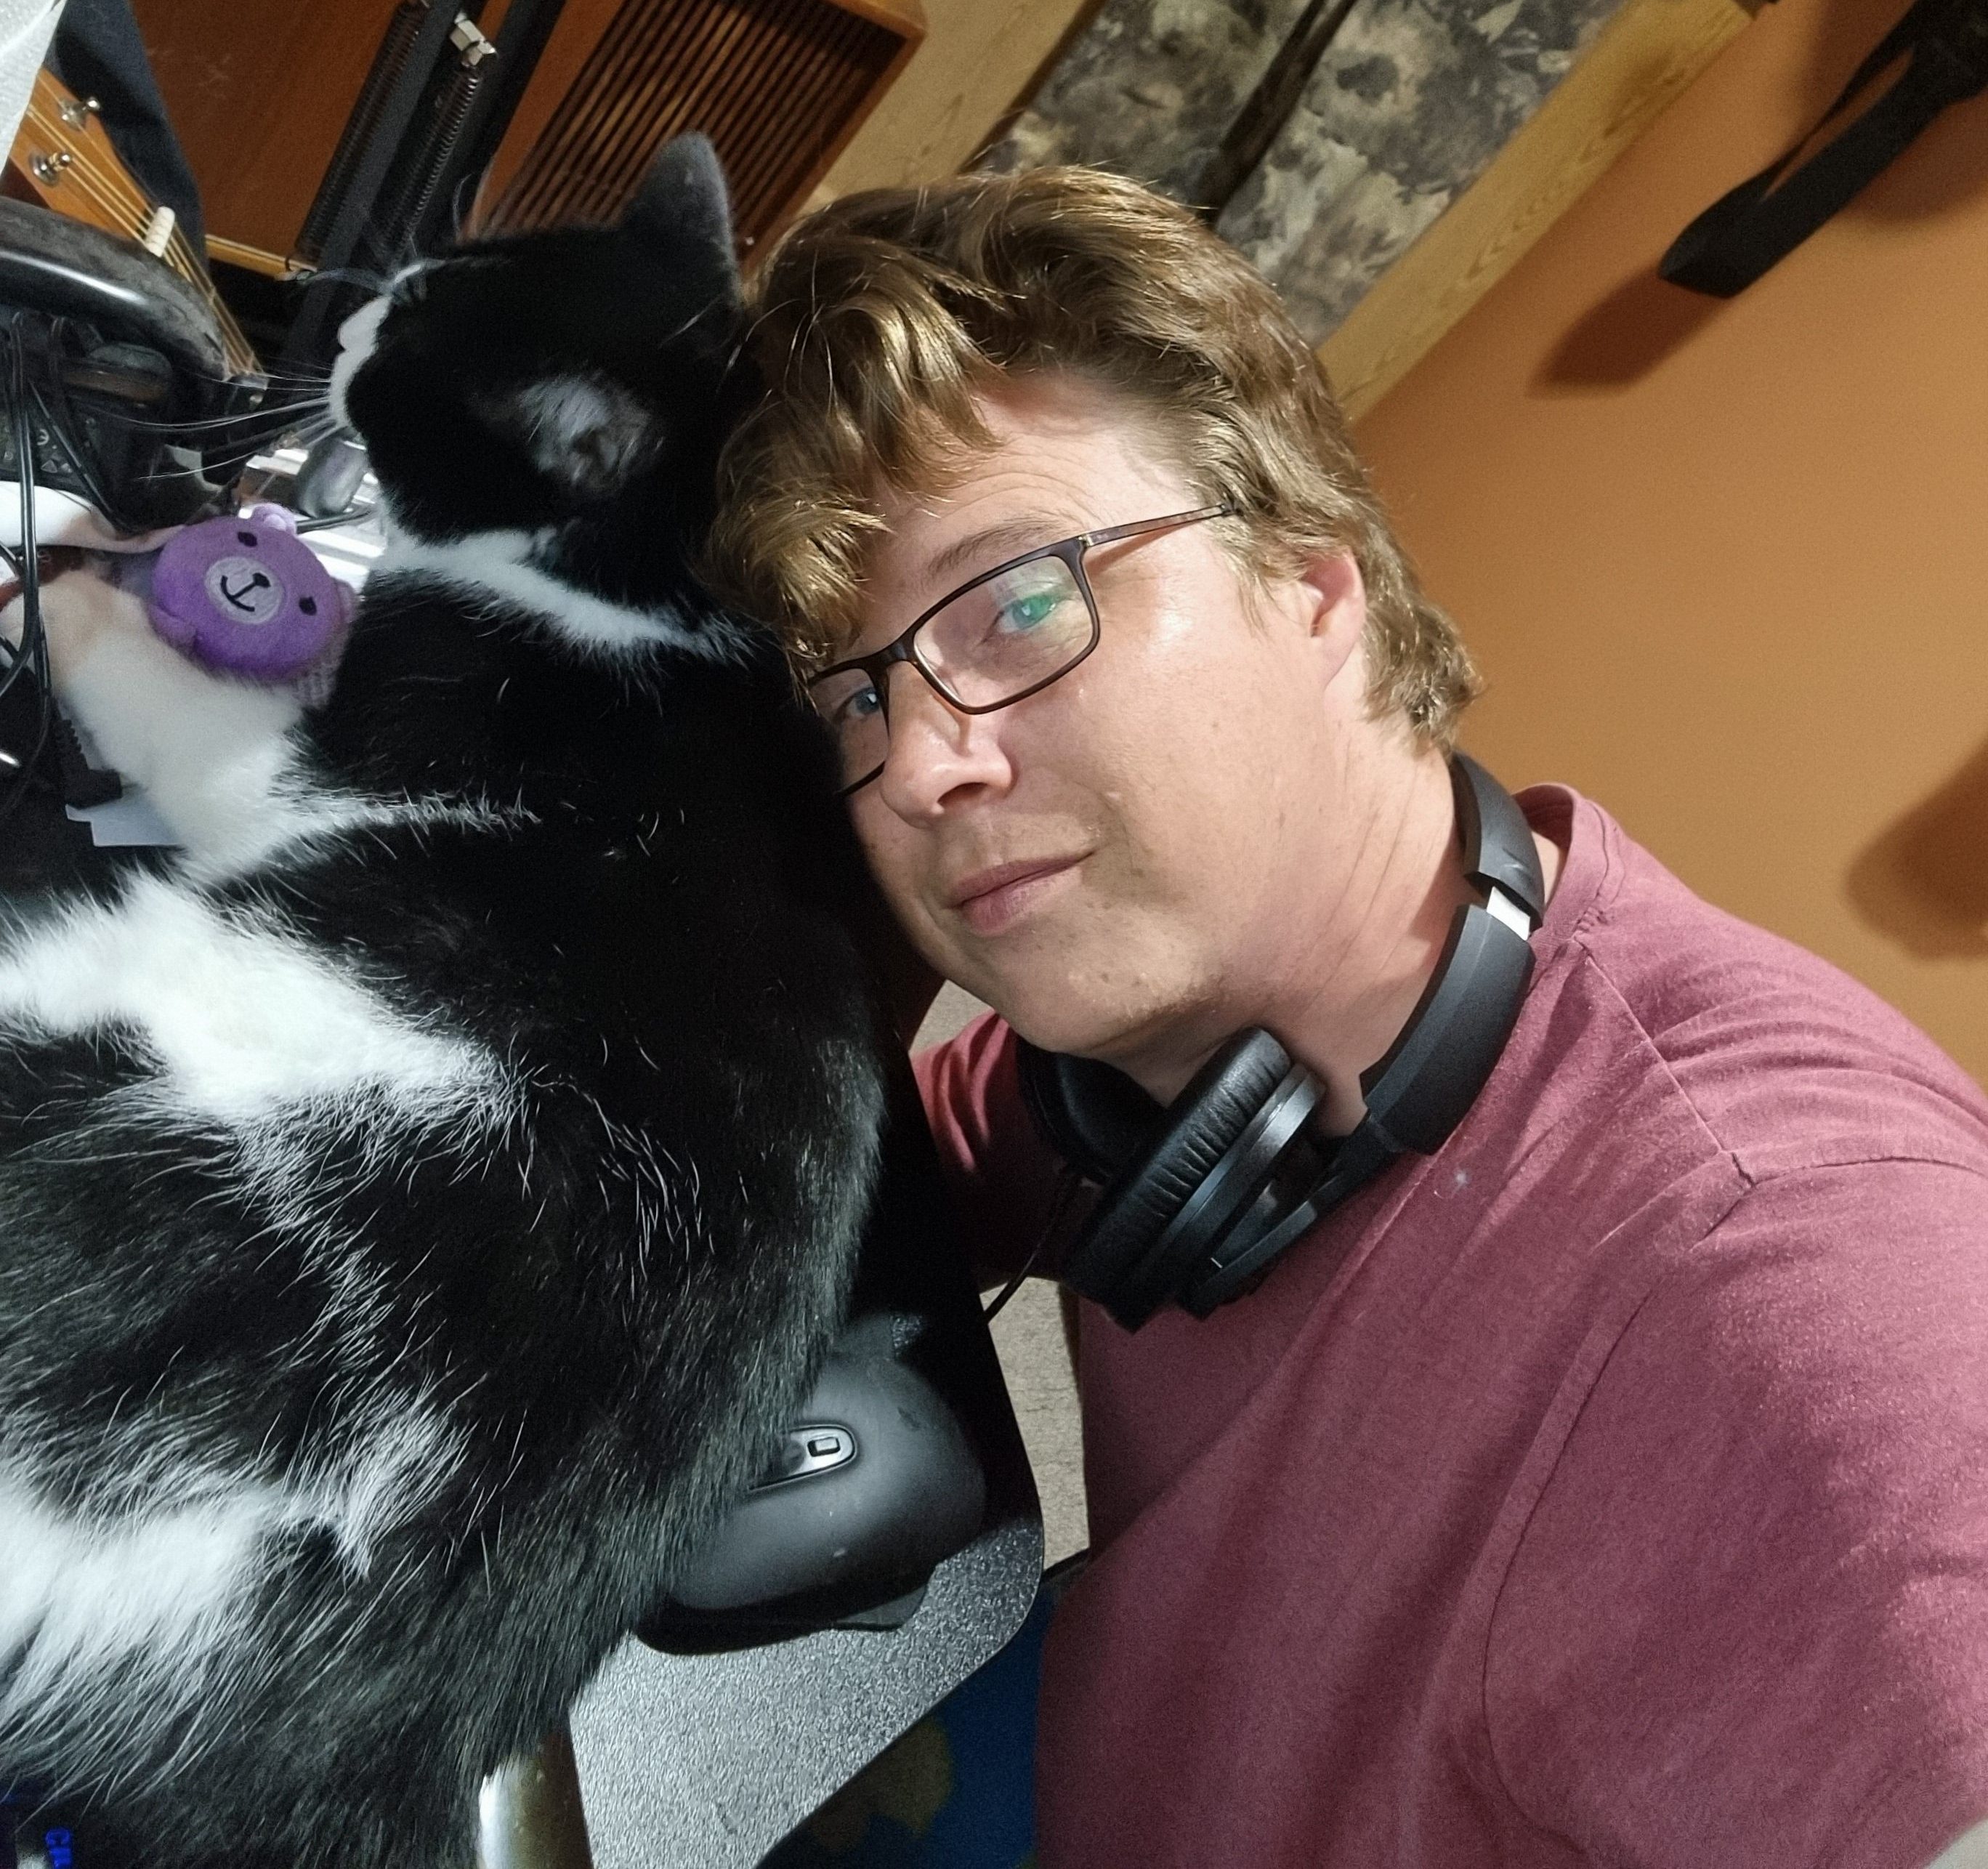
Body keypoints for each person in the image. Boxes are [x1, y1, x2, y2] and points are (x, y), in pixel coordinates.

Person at [708, 164, 1988, 1868]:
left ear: (1318, 587)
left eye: (1018, 602)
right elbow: (899, 1164)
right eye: (866, 692)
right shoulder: (1154, 1050)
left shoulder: (1781, 1282)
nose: (926, 763)